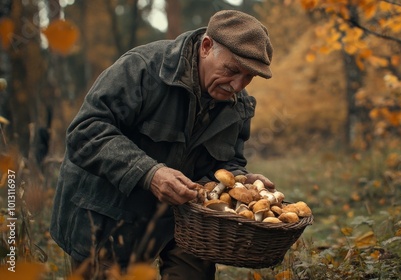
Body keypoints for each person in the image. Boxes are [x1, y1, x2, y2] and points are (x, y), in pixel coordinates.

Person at [50, 10, 275, 280]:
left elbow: (228, 164)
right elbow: (85, 132)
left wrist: (241, 180)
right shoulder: (142, 69)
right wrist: (150, 173)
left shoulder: (240, 105)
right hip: (109, 218)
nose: (238, 85)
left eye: (249, 76)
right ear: (206, 47)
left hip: (185, 225)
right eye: (232, 70)